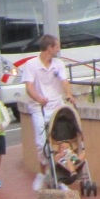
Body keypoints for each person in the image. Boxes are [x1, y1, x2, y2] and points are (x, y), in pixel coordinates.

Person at [19, 34, 76, 190]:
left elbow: (64, 81)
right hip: (39, 108)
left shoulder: (58, 64)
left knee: (61, 143)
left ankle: (60, 178)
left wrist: (69, 94)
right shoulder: (31, 65)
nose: (59, 49)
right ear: (49, 48)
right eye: (57, 46)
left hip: (57, 106)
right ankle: (44, 173)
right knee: (41, 145)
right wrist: (39, 98)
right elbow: (29, 86)